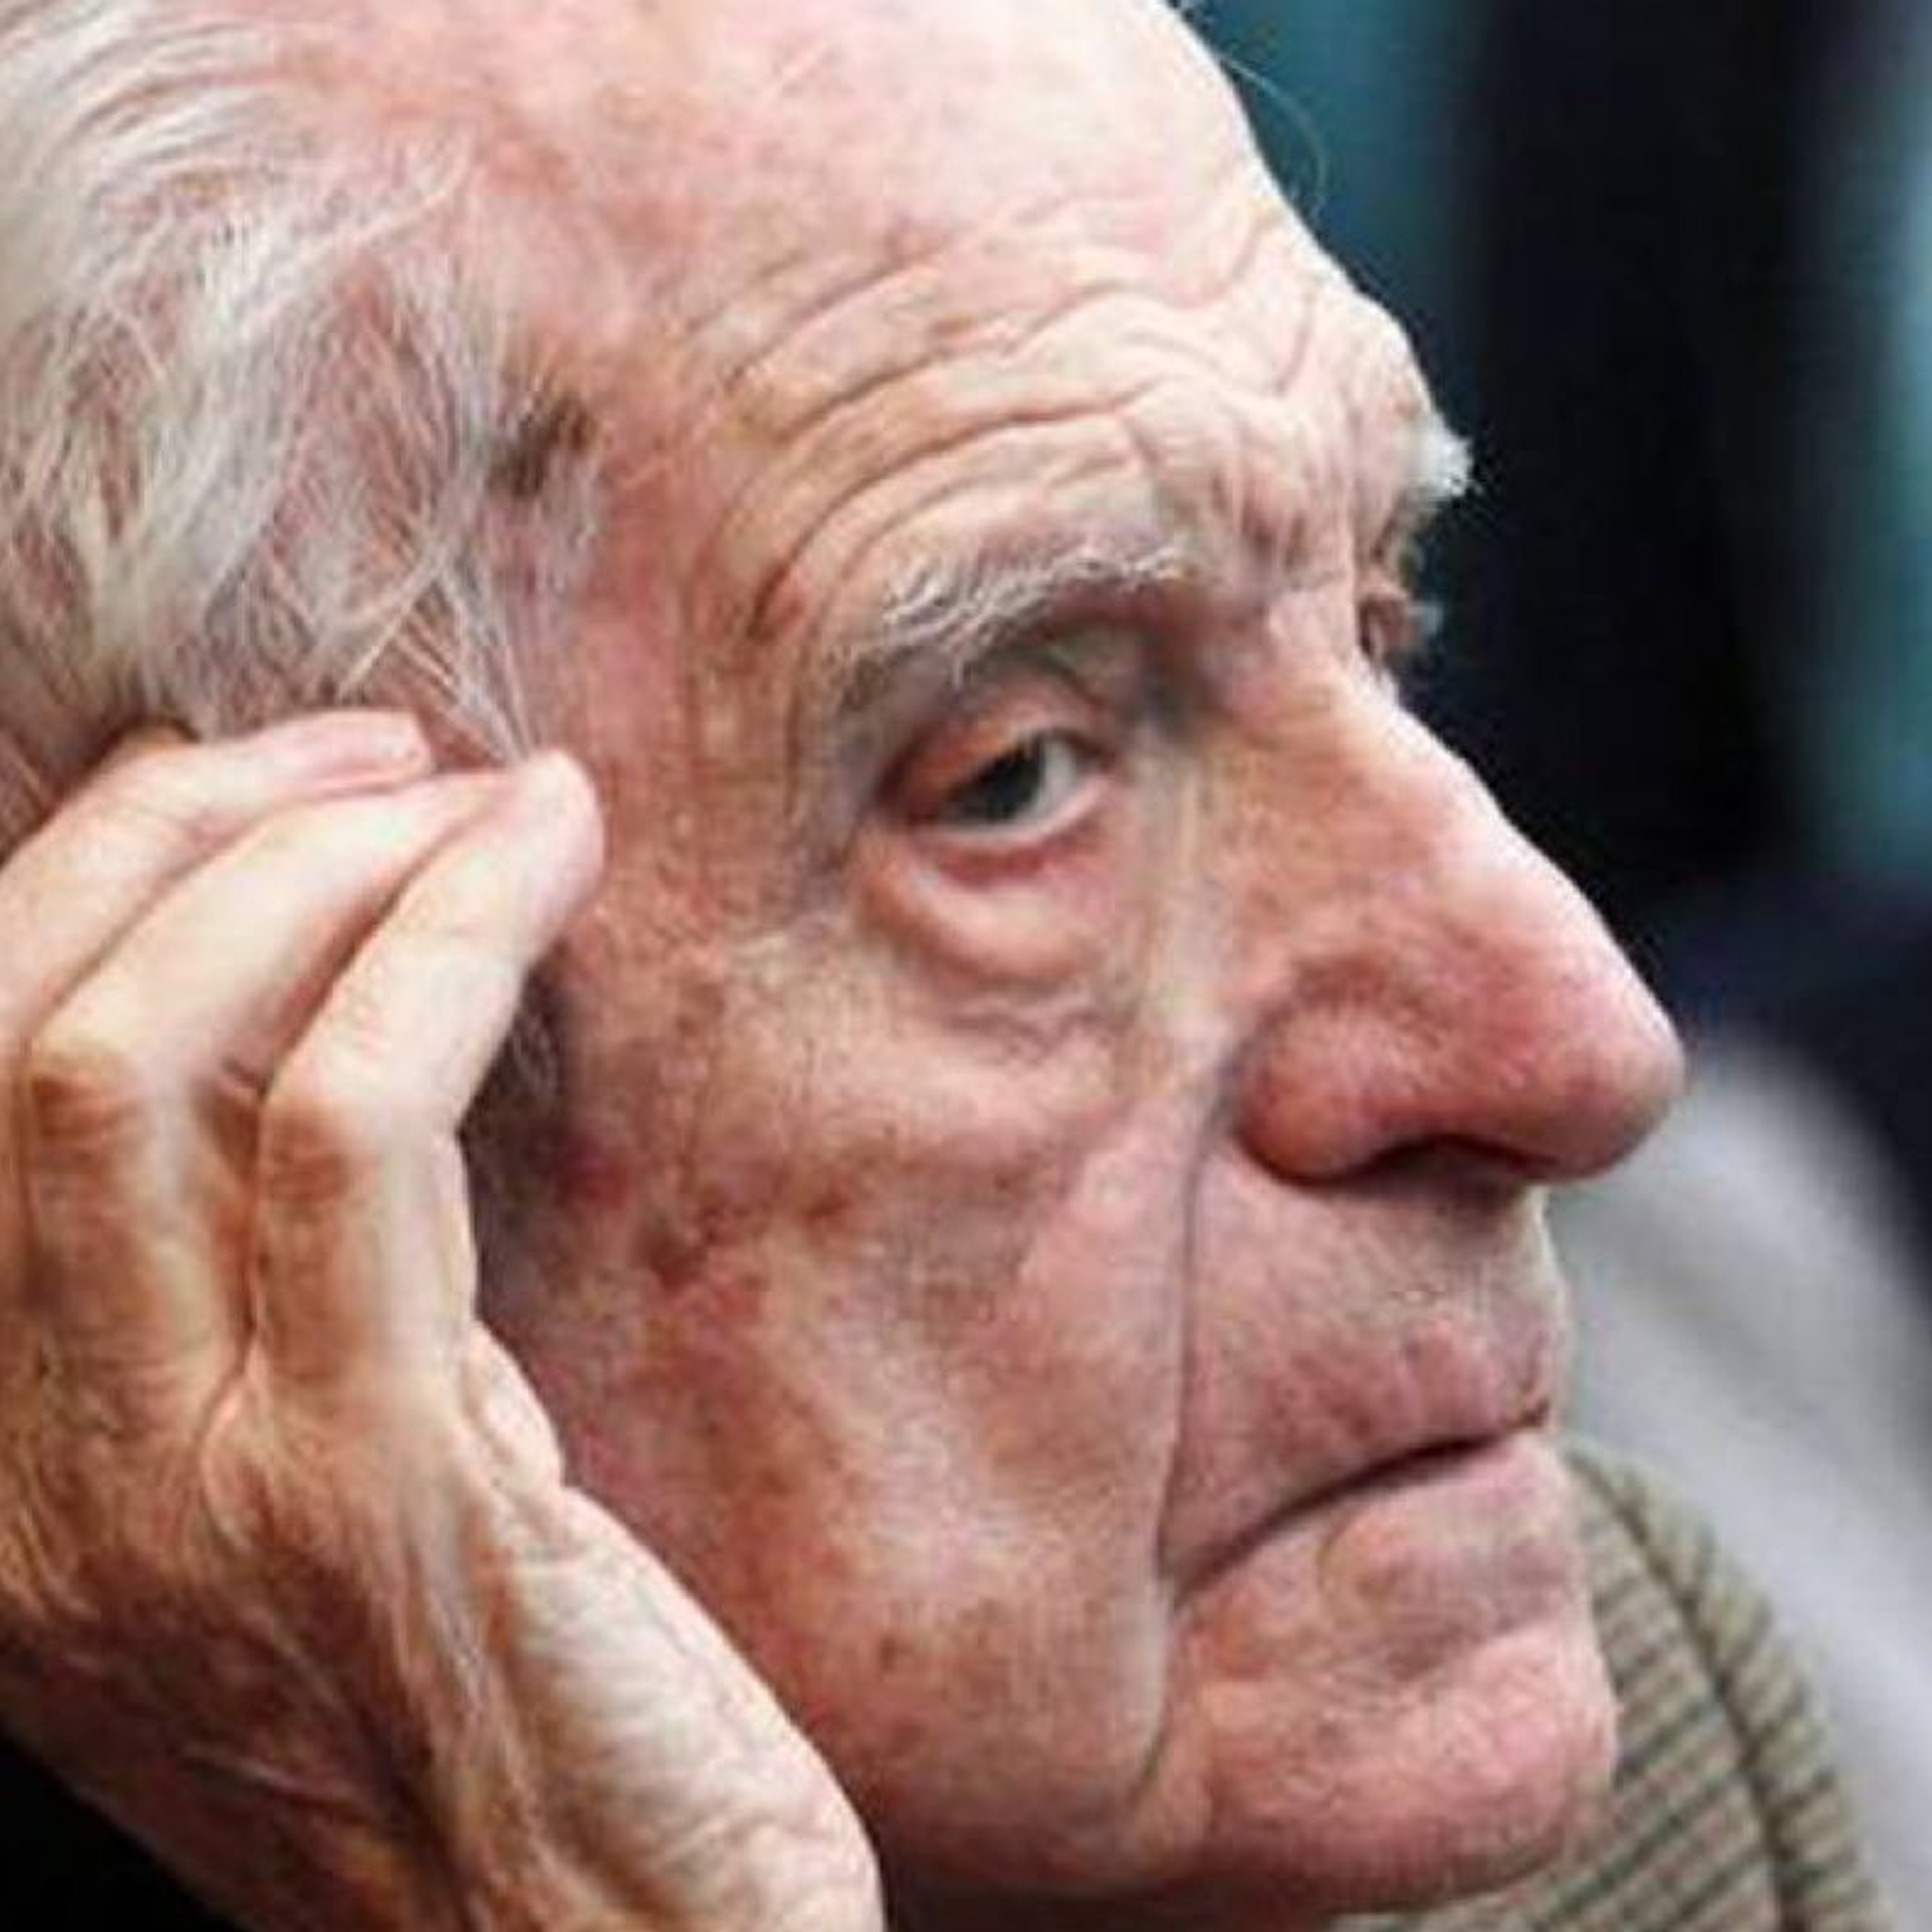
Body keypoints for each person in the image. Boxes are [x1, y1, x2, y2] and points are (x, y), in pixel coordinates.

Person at [0, 1, 1881, 1926]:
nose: (1578, 1045)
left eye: (1381, 623)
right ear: (189, 1058)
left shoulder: (1633, 1767)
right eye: (1015, 778)